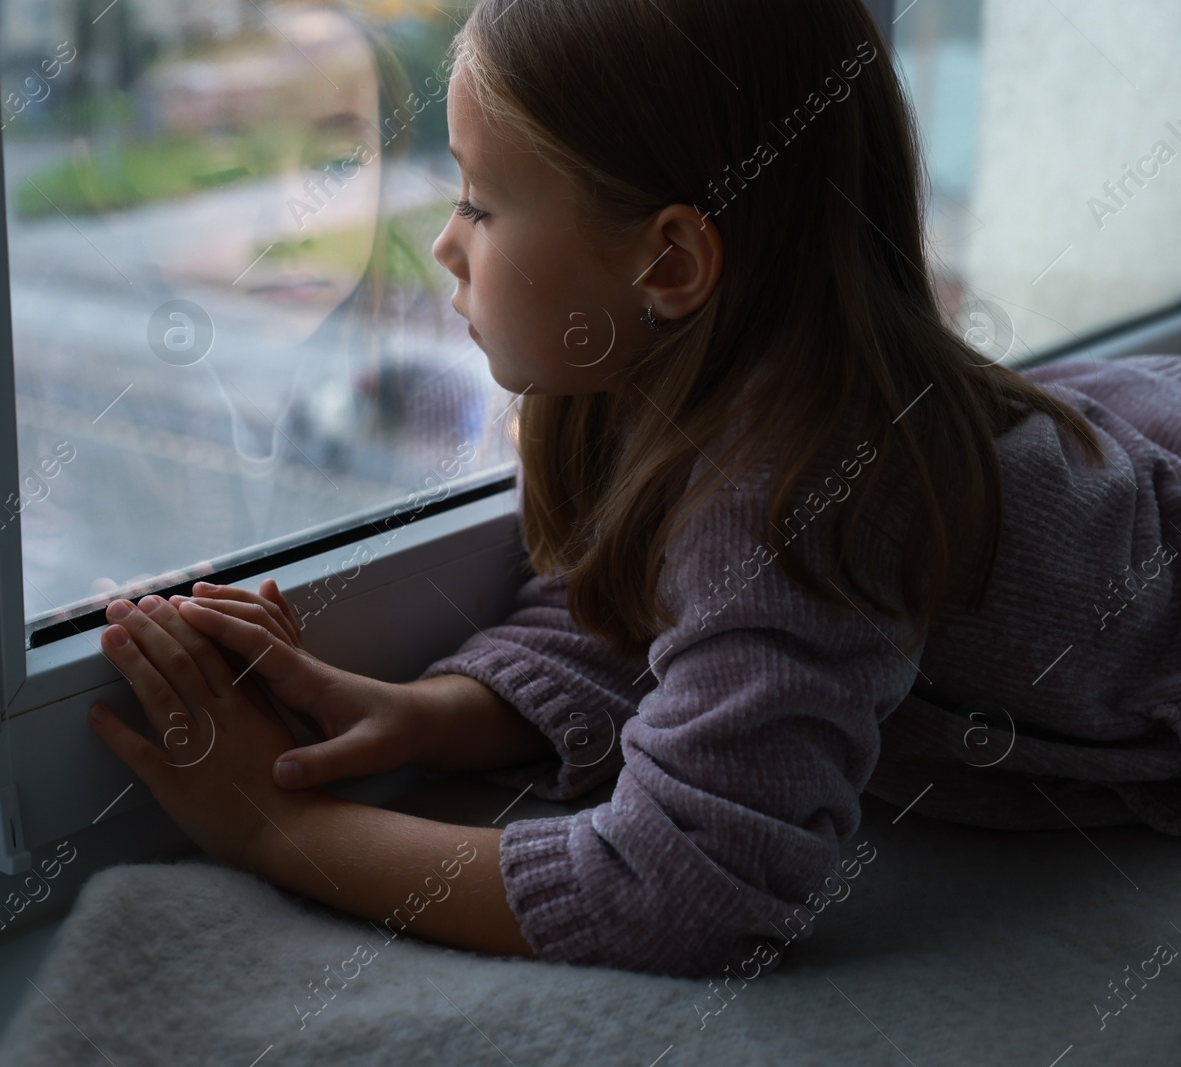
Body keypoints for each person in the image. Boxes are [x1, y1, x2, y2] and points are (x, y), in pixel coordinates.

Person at [83, 0, 1181, 977]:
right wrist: (419, 716)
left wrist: (276, 830)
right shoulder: (683, 370)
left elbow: (686, 889)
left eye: (478, 204)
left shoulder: (802, 495)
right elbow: (643, 608)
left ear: (667, 264)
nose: (441, 245)